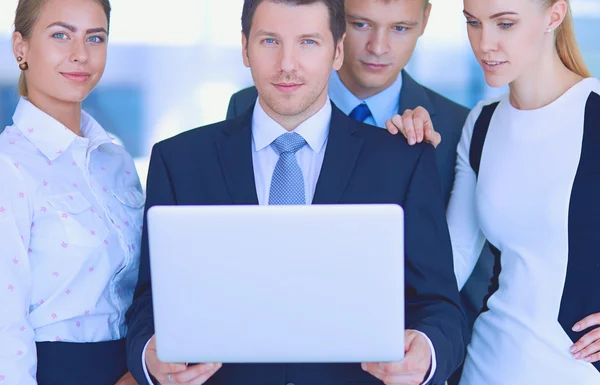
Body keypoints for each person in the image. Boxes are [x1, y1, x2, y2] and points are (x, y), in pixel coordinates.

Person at [126, 1, 467, 385]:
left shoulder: (402, 162)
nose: (287, 63)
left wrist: (425, 352)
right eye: (270, 40)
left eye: (308, 42)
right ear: (244, 48)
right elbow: (150, 302)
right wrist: (148, 358)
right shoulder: (179, 161)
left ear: (337, 51)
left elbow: (439, 305)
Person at [226, 0, 493, 341]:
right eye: (360, 24)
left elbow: (465, 282)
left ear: (425, 20)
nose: (378, 48)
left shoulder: (458, 129)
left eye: (400, 28)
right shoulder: (248, 105)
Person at [386, 0, 600, 383]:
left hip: (577, 371)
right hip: (485, 367)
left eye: (504, 24)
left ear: (554, 15)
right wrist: (408, 156)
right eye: (473, 23)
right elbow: (448, 262)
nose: (484, 43)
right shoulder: (482, 123)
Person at [0, 0, 143, 384]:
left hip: (133, 371)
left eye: (95, 38)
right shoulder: (8, 167)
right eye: (61, 35)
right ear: (21, 48)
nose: (80, 55)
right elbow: (4, 326)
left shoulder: (116, 161)